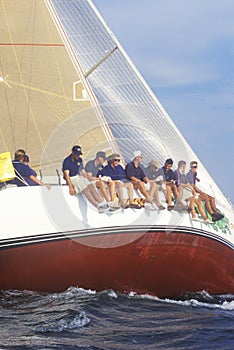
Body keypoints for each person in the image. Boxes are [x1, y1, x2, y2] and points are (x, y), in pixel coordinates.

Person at [62, 145, 109, 213]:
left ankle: (102, 203)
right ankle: (97, 206)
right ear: (72, 152)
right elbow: (66, 175)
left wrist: (86, 179)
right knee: (86, 190)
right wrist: (71, 187)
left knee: (91, 186)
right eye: (77, 154)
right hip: (71, 177)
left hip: (78, 176)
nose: (78, 156)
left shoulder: (79, 160)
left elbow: (82, 171)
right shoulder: (67, 161)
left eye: (79, 154)